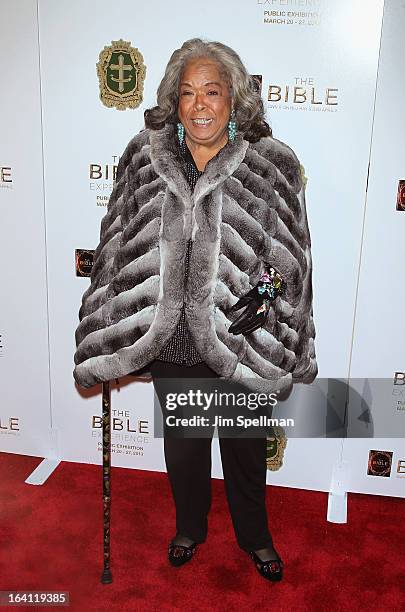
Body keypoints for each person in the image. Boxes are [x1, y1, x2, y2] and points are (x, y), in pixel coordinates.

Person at [73, 38, 317, 582]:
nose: (200, 104)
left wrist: (267, 293)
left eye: (212, 91)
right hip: (173, 339)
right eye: (188, 93)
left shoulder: (270, 162)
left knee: (245, 453)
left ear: (234, 99)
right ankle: (190, 526)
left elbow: (291, 248)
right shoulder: (145, 157)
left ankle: (255, 537)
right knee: (184, 453)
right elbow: (115, 242)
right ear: (174, 101)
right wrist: (104, 323)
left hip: (239, 333)